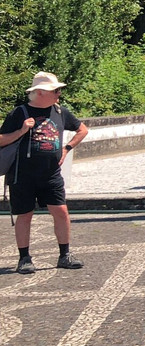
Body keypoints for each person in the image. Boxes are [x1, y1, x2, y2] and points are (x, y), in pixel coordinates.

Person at [0, 72, 89, 274]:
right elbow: (1, 139)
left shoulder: (60, 111)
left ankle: (65, 255)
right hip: (22, 175)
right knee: (24, 215)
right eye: (55, 90)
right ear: (40, 93)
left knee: (61, 212)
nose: (59, 94)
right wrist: (21, 131)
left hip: (51, 174)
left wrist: (67, 148)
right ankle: (24, 259)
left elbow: (83, 130)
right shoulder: (19, 113)